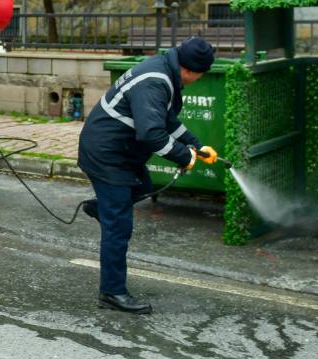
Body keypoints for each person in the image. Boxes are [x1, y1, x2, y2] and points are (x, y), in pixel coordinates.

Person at [77, 36, 218, 314]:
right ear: (191, 70)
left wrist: (197, 145)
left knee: (143, 185)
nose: (199, 79)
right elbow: (151, 134)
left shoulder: (165, 70)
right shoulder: (155, 81)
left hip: (122, 152)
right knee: (119, 227)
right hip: (107, 154)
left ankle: (101, 208)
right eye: (201, 75)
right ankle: (112, 292)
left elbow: (166, 121)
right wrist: (182, 156)